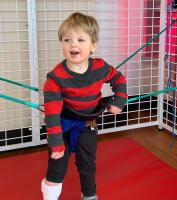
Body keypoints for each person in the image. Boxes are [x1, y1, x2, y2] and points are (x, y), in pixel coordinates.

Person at [41, 12, 127, 200]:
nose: (73, 45)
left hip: (88, 125)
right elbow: (52, 114)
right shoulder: (55, 79)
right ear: (62, 45)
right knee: (57, 167)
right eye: (67, 40)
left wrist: (119, 100)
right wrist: (56, 144)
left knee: (87, 164)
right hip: (61, 127)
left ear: (93, 46)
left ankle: (88, 195)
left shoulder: (100, 67)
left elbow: (119, 79)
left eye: (81, 39)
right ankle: (49, 196)